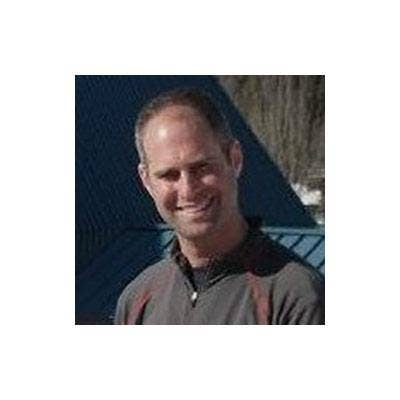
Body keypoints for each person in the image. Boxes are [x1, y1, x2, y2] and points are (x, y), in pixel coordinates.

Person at [114, 88, 324, 325]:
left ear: (234, 159)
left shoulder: (296, 296)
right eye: (169, 175)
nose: (188, 190)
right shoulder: (137, 300)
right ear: (146, 181)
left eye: (202, 167)